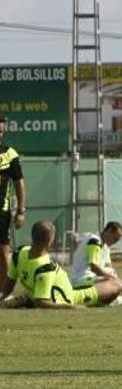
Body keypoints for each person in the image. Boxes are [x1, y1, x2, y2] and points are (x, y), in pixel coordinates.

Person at [1, 220, 122, 308]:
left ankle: (28, 298)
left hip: (64, 286)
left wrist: (2, 296)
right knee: (117, 285)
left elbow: (9, 283)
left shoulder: (19, 252)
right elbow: (42, 302)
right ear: (50, 240)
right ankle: (29, 300)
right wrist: (70, 307)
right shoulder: (46, 268)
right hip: (71, 297)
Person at [0, 115, 26, 301]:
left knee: (3, 251)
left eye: (1, 130)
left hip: (2, 211)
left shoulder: (9, 154)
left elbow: (19, 184)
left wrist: (21, 211)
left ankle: (4, 292)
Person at [70, 221, 122, 288]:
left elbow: (109, 267)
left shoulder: (105, 246)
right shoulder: (94, 241)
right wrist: (116, 280)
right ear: (109, 231)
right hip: (81, 280)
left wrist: (116, 278)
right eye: (115, 239)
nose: (115, 242)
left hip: (91, 277)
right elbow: (94, 267)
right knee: (113, 282)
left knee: (112, 272)